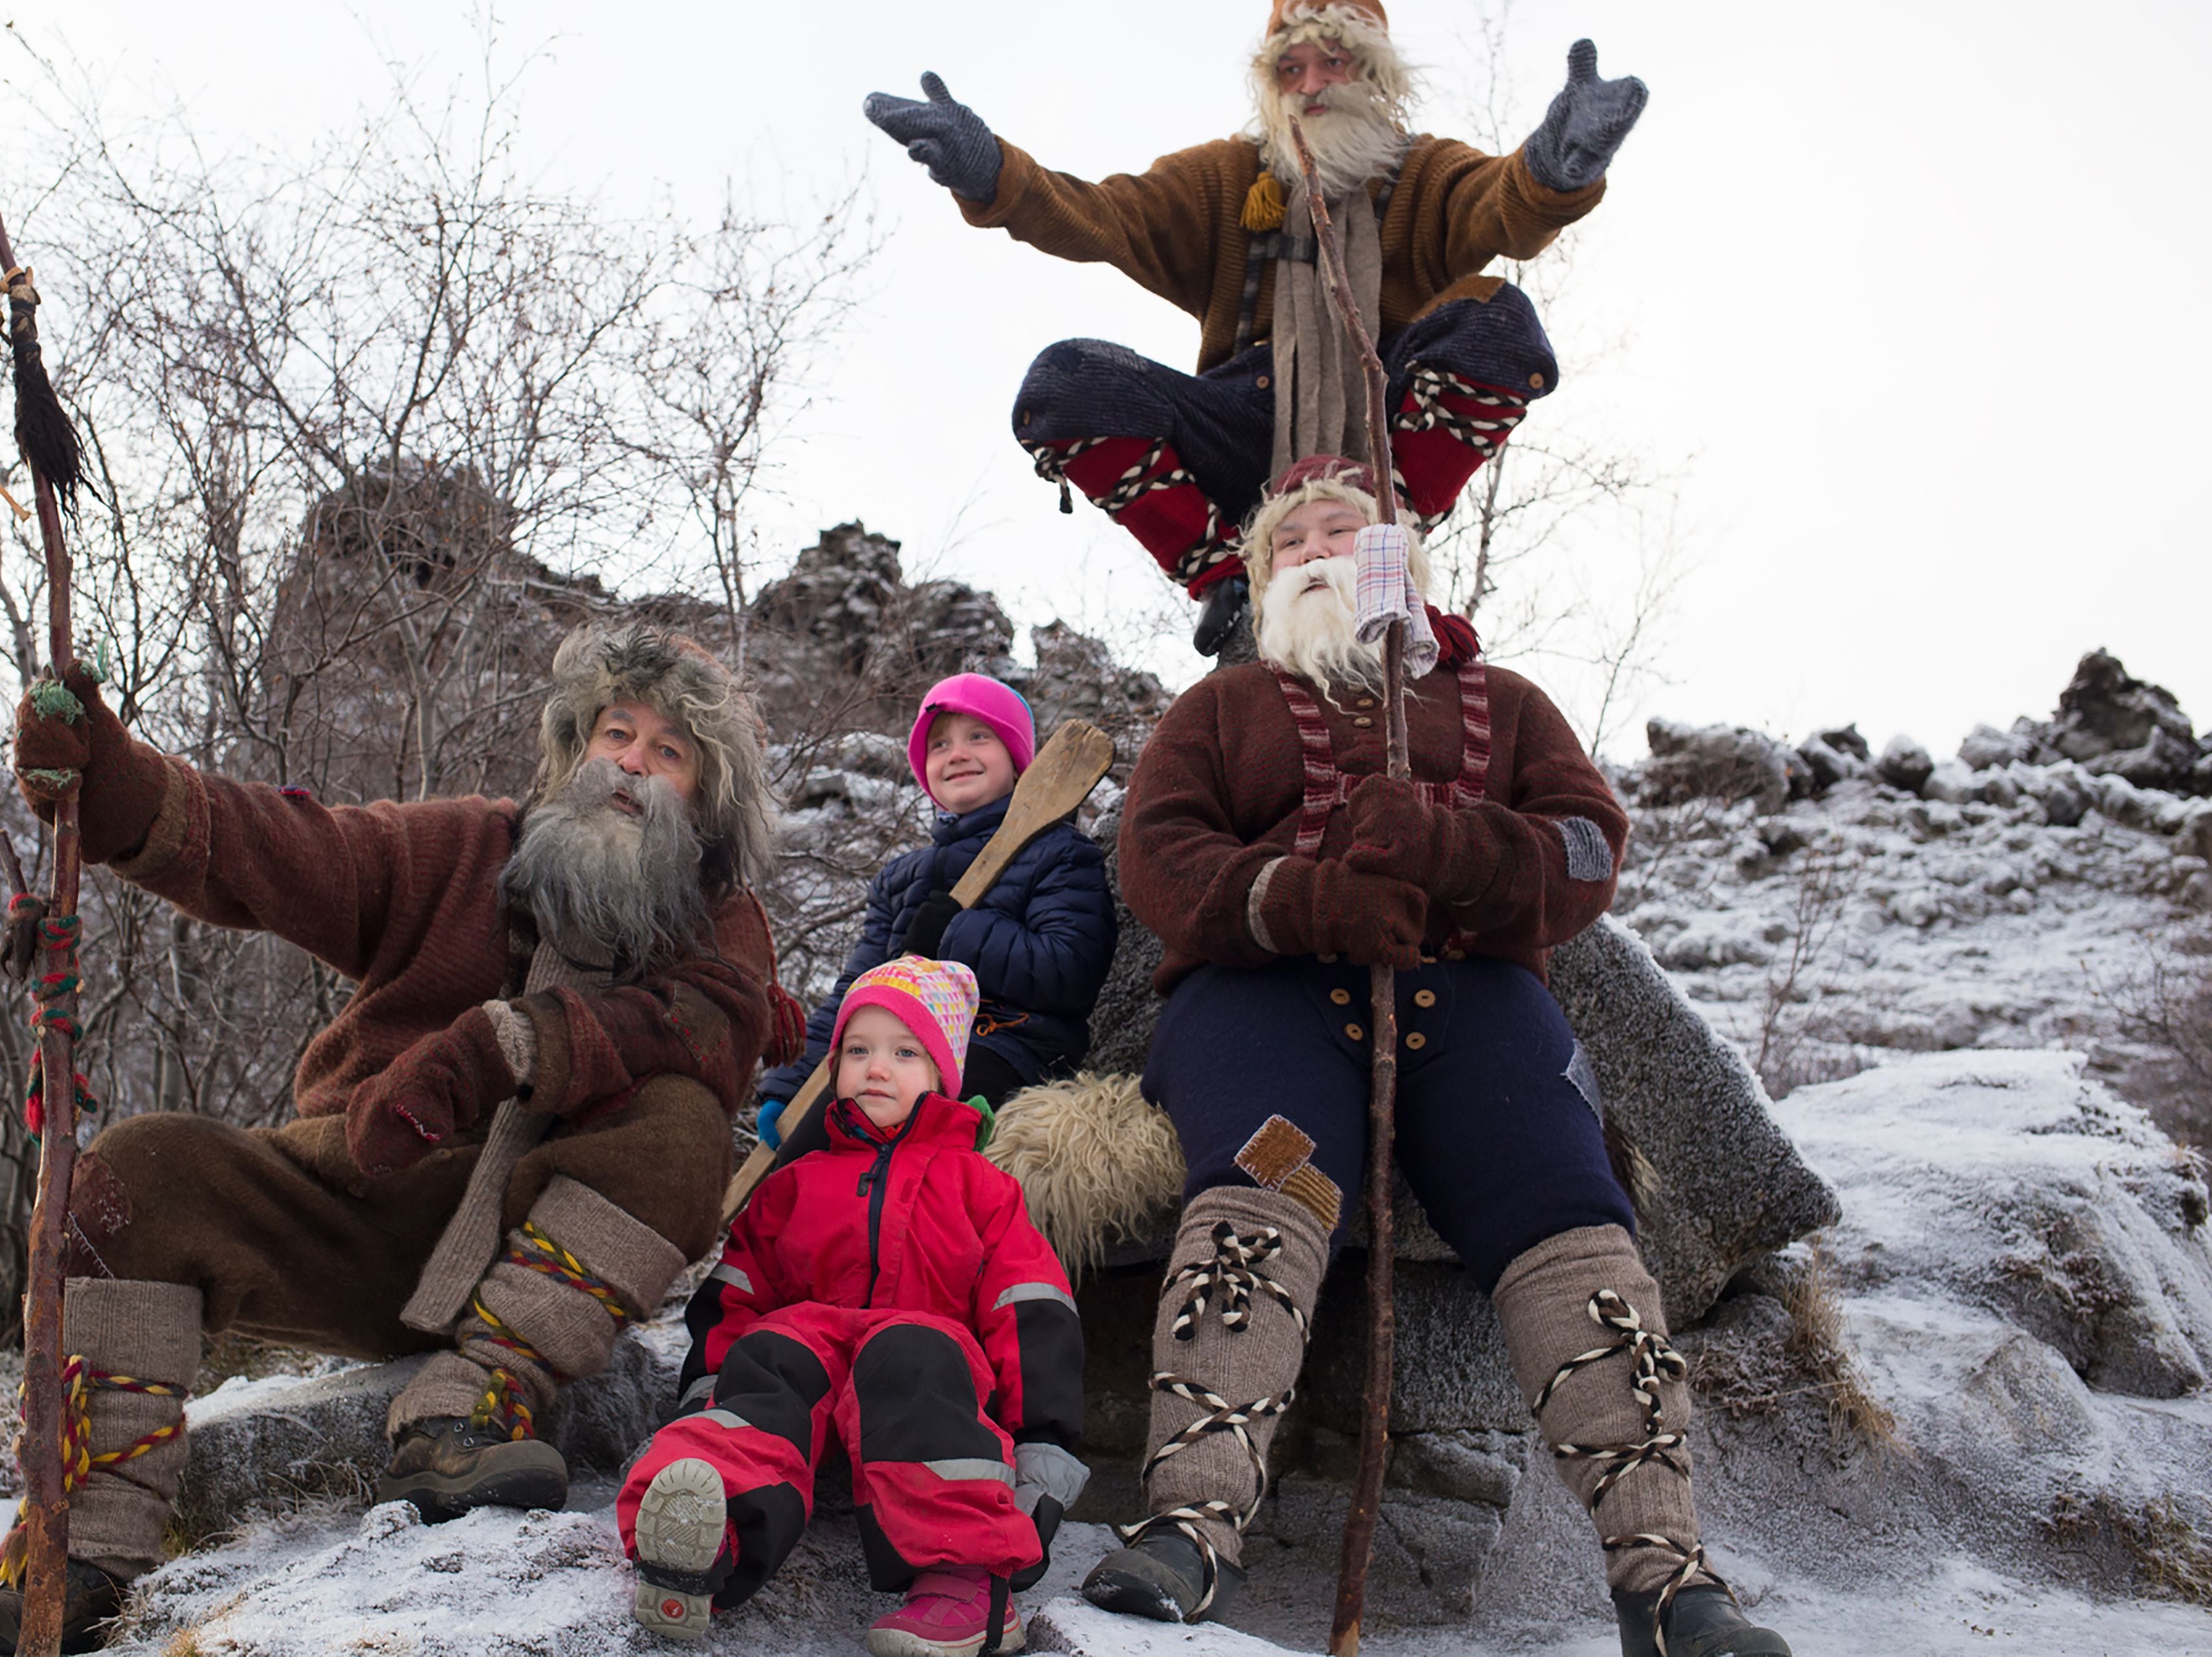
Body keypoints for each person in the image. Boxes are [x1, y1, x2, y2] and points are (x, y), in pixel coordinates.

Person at [0, 620, 798, 1656]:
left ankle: (461, 1418)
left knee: (682, 1122)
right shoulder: (469, 847)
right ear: (575, 747)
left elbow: (718, 1024)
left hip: (548, 1264)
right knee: (140, 1171)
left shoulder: (718, 921)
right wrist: (113, 780)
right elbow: (298, 850)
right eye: (616, 733)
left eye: (668, 752)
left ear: (702, 796)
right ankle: (81, 1551)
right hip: (362, 1205)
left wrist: (506, 1043)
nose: (631, 765)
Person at [1078, 460, 1791, 1657]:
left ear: (1397, 562)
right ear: (1259, 582)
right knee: (1267, 1185)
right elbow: (1157, 859)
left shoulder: (1501, 701)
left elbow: (1582, 848)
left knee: (1565, 1215)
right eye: (1288, 541)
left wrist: (1454, 850)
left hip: (1472, 1000)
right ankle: (1190, 1526)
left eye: (1342, 531)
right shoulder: (1215, 712)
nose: (1315, 549)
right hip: (1265, 998)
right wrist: (1302, 899)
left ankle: (1664, 1577)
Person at [864, 0, 1646, 655]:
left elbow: (1500, 207)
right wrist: (995, 174)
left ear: (1374, 77)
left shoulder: (1425, 172)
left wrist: (1555, 169)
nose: (1312, 85)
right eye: (1292, 68)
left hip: (1383, 427)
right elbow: (1100, 214)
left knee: (1500, 321)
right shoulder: (1227, 177)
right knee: (1066, 384)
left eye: (1335, 62)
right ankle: (1226, 579)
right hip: (1241, 433)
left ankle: (1383, 536)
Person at [623, 955, 1086, 1656]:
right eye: (858, 1050)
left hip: (921, 1356)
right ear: (834, 1065)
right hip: (812, 1344)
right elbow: (740, 1292)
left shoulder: (980, 1186)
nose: (876, 1068)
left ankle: (963, 1576)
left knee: (912, 1354)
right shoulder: (794, 1183)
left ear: (941, 1075)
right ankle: (700, 1533)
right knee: (770, 1355)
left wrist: (1041, 1439)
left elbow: (1027, 1305)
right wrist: (711, 1384)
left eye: (905, 1053)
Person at [756, 673, 1115, 1147]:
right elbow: (856, 991)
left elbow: (1071, 968)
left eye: (978, 737)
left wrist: (956, 934)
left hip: (1005, 1048)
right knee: (812, 1144)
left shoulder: (1060, 853)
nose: (957, 753)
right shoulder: (899, 879)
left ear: (1017, 761)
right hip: (893, 1051)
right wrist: (793, 1084)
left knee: (910, 1119)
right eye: (940, 744)